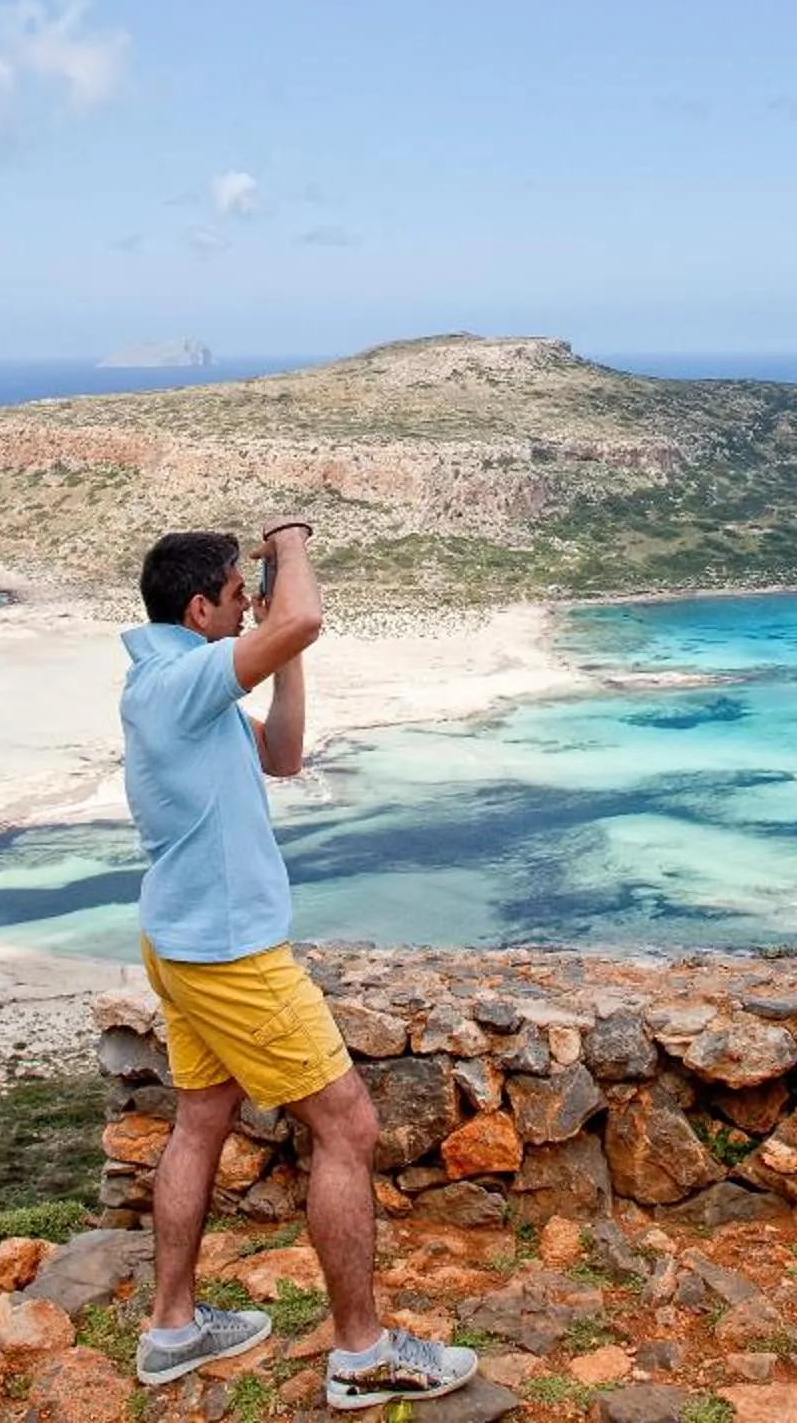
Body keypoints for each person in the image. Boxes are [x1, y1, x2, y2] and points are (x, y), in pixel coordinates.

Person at [119, 522, 478, 1409]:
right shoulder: (178, 683)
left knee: (201, 1118)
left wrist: (278, 644)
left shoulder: (180, 686)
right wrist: (290, 546)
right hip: (232, 954)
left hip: (185, 942)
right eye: (241, 596)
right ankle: (361, 1353)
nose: (252, 607)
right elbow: (306, 619)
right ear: (200, 608)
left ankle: (173, 1329)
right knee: (347, 1129)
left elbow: (283, 756)